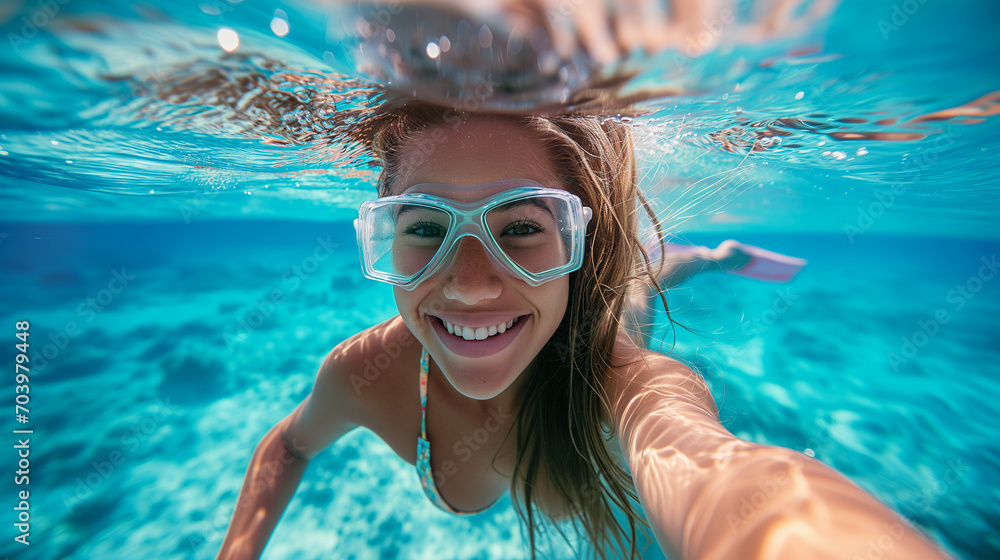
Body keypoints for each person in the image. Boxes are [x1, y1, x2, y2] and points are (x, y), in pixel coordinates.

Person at [217, 100, 951, 559]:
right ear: (383, 237)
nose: (471, 282)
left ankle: (718, 255)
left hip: (605, 314)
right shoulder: (365, 376)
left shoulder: (629, 382)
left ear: (575, 245)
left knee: (641, 280)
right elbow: (286, 447)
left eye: (523, 227)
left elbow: (717, 470)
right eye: (425, 227)